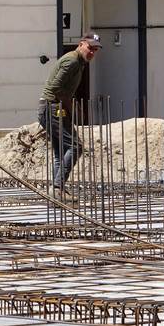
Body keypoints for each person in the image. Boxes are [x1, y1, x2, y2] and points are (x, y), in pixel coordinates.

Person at [38, 32, 101, 202]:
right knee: (75, 146)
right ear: (81, 44)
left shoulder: (79, 63)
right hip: (52, 107)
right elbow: (57, 88)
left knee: (61, 151)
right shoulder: (72, 60)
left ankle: (57, 191)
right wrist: (72, 106)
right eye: (90, 48)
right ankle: (57, 187)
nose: (92, 53)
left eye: (95, 50)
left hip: (53, 107)